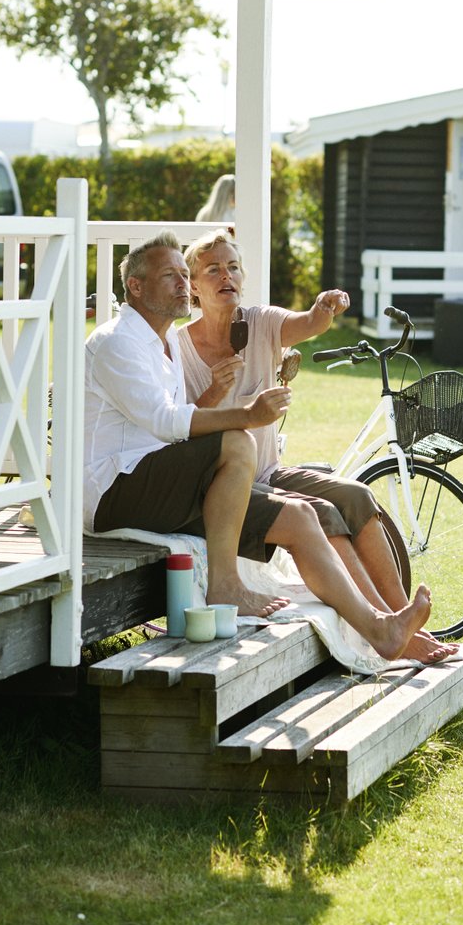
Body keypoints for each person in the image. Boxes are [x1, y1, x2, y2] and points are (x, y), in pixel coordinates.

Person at [84, 231, 433, 659]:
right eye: (171, 275)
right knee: (237, 440)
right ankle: (226, 585)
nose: (182, 284)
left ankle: (382, 631)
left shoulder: (166, 342)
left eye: (182, 273)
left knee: (302, 518)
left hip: (165, 482)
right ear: (136, 287)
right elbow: (164, 421)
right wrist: (247, 414)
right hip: (114, 490)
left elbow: (181, 418)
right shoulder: (117, 341)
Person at [180, 229, 457, 664]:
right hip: (227, 485)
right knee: (325, 514)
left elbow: (305, 324)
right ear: (193, 284)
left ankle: (399, 617)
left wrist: (323, 309)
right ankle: (390, 629)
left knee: (358, 496)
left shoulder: (260, 322)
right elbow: (180, 428)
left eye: (232, 266)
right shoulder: (178, 350)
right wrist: (216, 391)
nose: (225, 275)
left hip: (269, 470)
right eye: (212, 269)